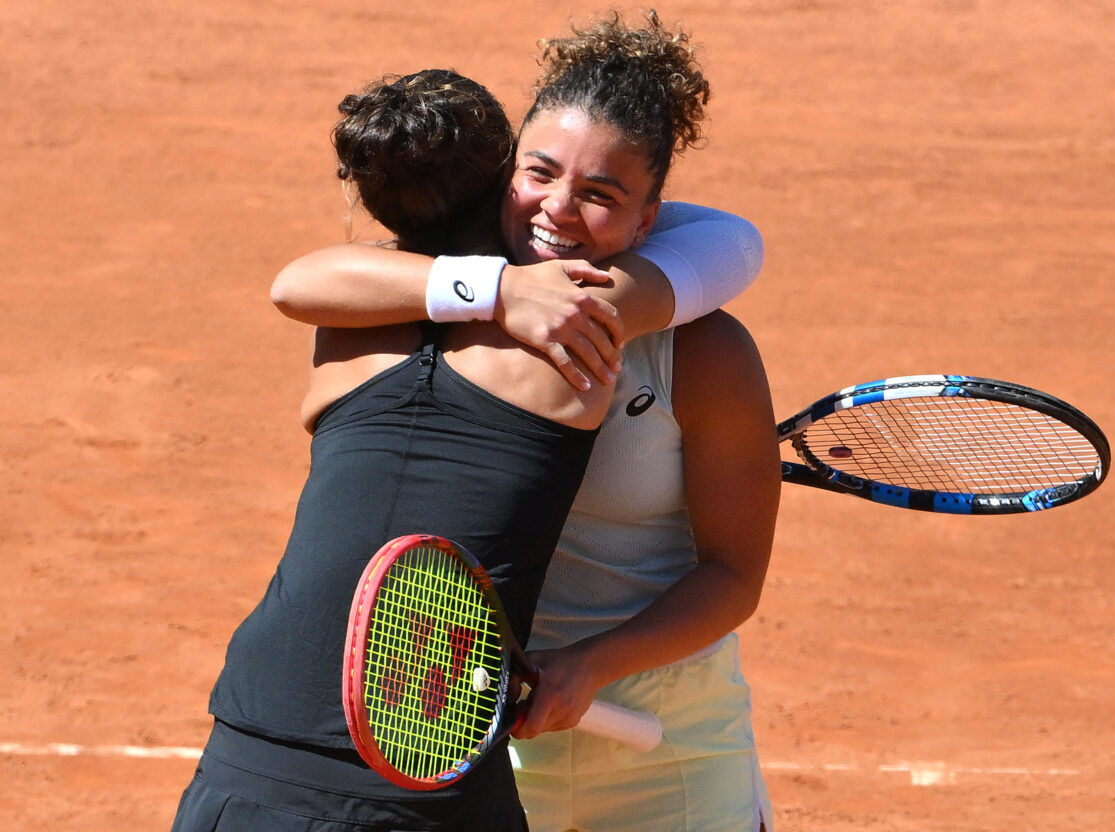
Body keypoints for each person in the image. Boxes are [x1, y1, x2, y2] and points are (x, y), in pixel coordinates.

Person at [270, 11, 781, 832]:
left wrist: (591, 665)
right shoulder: (443, 294)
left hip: (670, 741)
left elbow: (733, 576)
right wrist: (499, 291)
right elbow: (301, 283)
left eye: (601, 195)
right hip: (479, 725)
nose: (559, 209)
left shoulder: (704, 351)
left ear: (650, 220)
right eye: (539, 173)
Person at [169, 69, 638, 832]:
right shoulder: (584, 312)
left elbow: (298, 281)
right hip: (427, 768)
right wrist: (511, 287)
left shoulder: (341, 318)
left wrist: (492, 288)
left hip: (255, 746)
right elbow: (722, 244)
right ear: (505, 179)